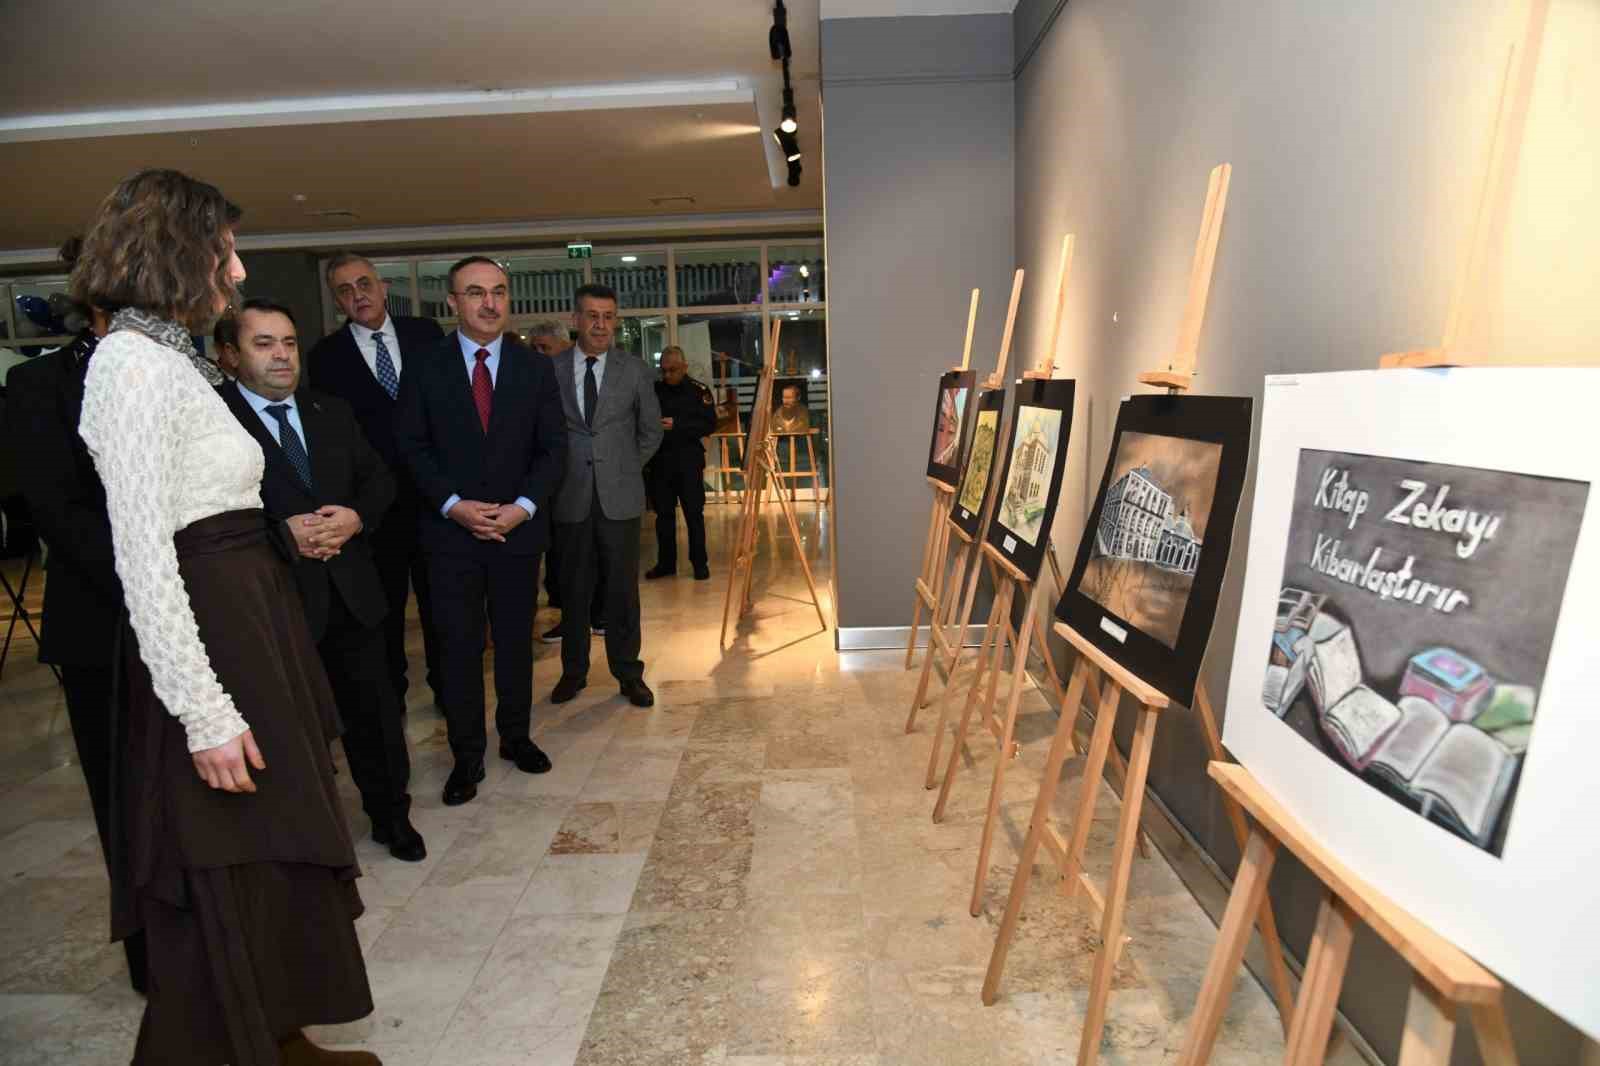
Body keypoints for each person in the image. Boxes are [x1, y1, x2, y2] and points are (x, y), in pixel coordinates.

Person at [73, 169, 375, 1066]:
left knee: (274, 848)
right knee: (230, 854)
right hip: (213, 644)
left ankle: (277, 1032)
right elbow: (142, 553)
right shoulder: (127, 365)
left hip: (252, 623)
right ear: (176, 251)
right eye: (225, 249)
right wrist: (203, 712)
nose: (237, 271)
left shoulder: (170, 356)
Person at [216, 300, 424, 862]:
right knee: (288, 729)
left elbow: (378, 480)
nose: (282, 355)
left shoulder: (331, 410)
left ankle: (391, 816)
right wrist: (283, 535)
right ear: (230, 355)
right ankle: (304, 834)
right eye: (264, 344)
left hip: (351, 594)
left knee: (375, 717)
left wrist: (357, 517)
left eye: (288, 342)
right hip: (273, 604)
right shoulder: (212, 422)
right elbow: (202, 518)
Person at [4, 236, 148, 994]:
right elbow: (61, 514)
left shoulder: (184, 374)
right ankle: (152, 960)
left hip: (201, 621)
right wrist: (156, 583)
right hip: (102, 627)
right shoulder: (36, 389)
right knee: (123, 800)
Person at [393, 256, 566, 807]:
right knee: (458, 649)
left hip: (517, 533)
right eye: (475, 293)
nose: (489, 303)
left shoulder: (534, 368)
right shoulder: (424, 367)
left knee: (517, 644)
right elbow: (410, 447)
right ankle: (466, 758)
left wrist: (522, 507)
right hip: (449, 538)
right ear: (453, 303)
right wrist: (452, 506)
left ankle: (516, 737)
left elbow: (552, 450)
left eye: (498, 292)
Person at [307, 253, 445, 713]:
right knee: (382, 612)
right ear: (337, 300)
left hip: (432, 500)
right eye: (344, 290)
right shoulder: (326, 357)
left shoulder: (426, 336)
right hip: (373, 509)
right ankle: (392, 696)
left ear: (383, 287)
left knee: (441, 607)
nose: (357, 295)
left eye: (363, 284)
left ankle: (448, 689)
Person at [549, 283, 662, 708]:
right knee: (573, 590)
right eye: (592, 316)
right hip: (570, 497)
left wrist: (626, 467)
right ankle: (573, 672)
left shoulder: (633, 370)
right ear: (575, 320)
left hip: (620, 497)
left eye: (609, 316)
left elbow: (650, 431)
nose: (601, 325)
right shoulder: (552, 369)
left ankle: (628, 674)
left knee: (622, 591)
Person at [528, 317, 605, 640]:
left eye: (544, 347)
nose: (538, 354)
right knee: (559, 559)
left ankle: (598, 615)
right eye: (534, 348)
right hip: (543, 484)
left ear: (563, 345)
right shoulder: (532, 380)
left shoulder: (581, 375)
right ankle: (570, 616)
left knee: (589, 554)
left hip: (580, 480)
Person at [647, 346, 716, 580]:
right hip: (661, 462)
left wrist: (678, 424)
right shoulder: (654, 391)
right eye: (664, 370)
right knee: (663, 516)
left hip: (688, 461)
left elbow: (709, 424)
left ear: (684, 367)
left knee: (693, 514)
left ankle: (700, 563)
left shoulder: (699, 391)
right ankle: (666, 564)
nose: (667, 375)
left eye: (673, 370)